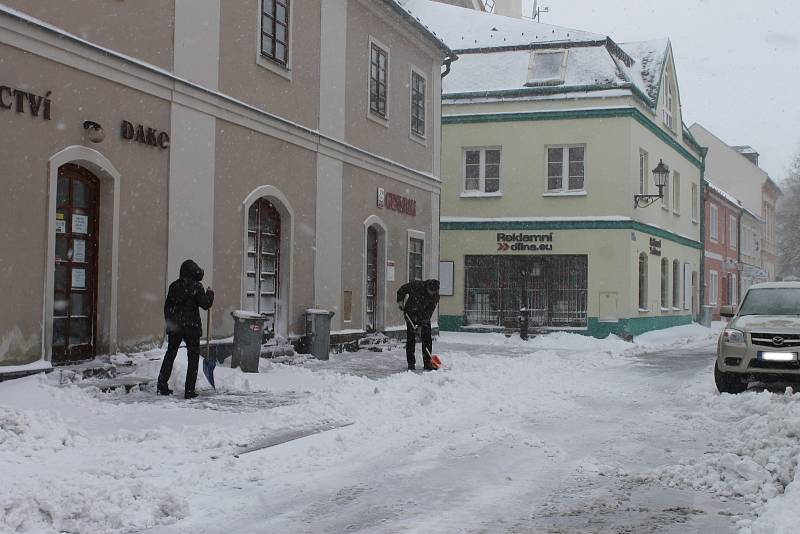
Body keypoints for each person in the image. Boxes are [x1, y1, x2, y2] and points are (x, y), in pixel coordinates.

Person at [158, 259, 214, 398]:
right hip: (191, 329)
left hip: (176, 328)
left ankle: (162, 385)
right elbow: (206, 304)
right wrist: (210, 293)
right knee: (193, 358)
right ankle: (189, 390)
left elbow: (167, 307)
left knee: (170, 355)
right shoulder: (197, 287)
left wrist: (171, 323)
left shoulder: (174, 286)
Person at [397, 279, 440, 371]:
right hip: (411, 313)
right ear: (427, 287)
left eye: (434, 292)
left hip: (423, 316)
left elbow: (429, 312)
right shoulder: (416, 285)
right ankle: (411, 363)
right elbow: (402, 289)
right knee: (411, 339)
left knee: (427, 339)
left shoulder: (435, 296)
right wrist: (400, 301)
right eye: (431, 291)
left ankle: (427, 362)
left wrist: (421, 326)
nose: (432, 293)